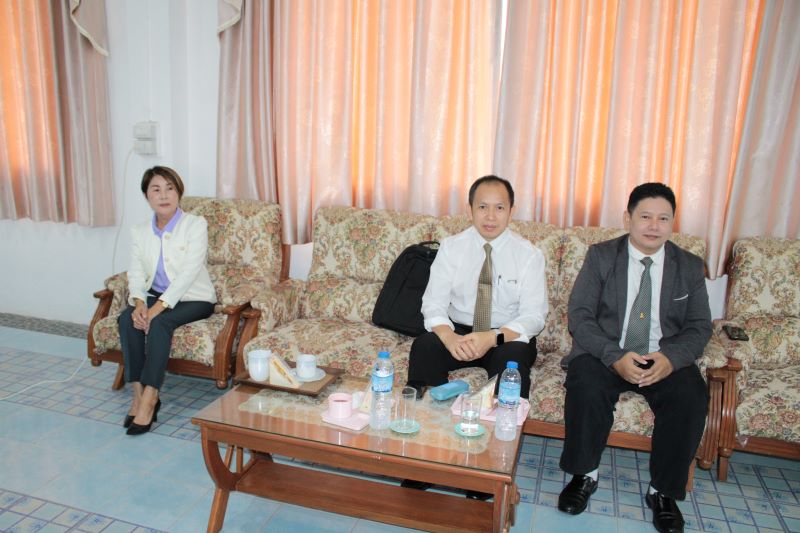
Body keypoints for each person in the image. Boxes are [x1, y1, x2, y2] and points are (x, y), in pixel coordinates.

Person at [557, 183, 711, 533]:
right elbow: (580, 315)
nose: (654, 226)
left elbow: (700, 326)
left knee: (691, 396)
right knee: (585, 382)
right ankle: (584, 474)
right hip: (607, 352)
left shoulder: (688, 266)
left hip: (662, 355)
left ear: (672, 222)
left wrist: (670, 358)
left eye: (663, 219)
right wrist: (614, 357)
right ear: (628, 219)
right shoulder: (601, 256)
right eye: (645, 217)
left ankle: (663, 492)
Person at [402, 175, 548, 499]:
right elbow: (433, 304)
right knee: (425, 348)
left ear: (512, 210)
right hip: (460, 330)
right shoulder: (452, 247)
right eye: (483, 207)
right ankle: (425, 459)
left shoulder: (528, 255)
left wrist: (491, 338)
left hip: (505, 334)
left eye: (499, 207)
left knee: (512, 364)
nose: (490, 216)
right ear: (470, 209)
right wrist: (450, 338)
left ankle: (490, 469)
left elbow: (533, 317)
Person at [118, 166, 216, 436]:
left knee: (159, 324)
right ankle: (137, 394)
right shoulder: (139, 231)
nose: (163, 195)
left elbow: (188, 274)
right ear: (147, 196)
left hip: (193, 297)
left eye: (170, 188)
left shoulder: (195, 224)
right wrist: (139, 303)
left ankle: (151, 398)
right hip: (154, 296)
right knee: (127, 320)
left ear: (178, 193)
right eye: (156, 189)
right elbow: (136, 271)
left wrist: (156, 310)